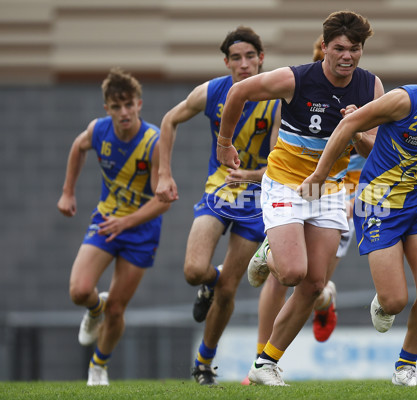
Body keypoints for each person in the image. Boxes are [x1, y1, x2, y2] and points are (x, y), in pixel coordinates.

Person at [298, 44, 417, 386]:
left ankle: (405, 368)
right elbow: (349, 124)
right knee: (395, 301)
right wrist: (318, 176)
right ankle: (385, 301)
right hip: (376, 200)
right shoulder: (405, 100)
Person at [217, 11, 384, 386]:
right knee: (292, 273)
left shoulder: (371, 87)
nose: (347, 56)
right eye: (339, 48)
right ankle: (268, 253)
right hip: (286, 185)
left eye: (354, 49)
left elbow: (375, 148)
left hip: (330, 189)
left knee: (313, 284)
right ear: (324, 47)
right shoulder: (297, 79)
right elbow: (238, 92)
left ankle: (265, 364)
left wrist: (356, 129)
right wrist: (224, 143)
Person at [155, 26, 281, 386]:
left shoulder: (276, 99)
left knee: (230, 289)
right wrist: (164, 174)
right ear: (226, 62)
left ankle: (204, 364)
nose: (244, 64)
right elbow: (169, 120)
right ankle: (208, 283)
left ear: (261, 59)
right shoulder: (211, 92)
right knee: (195, 270)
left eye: (250, 57)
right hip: (218, 193)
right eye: (236, 58)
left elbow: (275, 164)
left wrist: (251, 176)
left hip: (256, 201)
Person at [57, 67, 170, 386]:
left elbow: (162, 200)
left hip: (140, 229)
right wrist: (68, 191)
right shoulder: (98, 130)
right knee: (79, 291)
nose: (124, 112)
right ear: (107, 108)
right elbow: (78, 147)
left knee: (118, 309)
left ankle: (98, 367)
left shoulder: (154, 142)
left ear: (139, 104)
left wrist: (127, 222)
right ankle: (95, 308)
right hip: (107, 221)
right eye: (117, 107)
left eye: (129, 105)